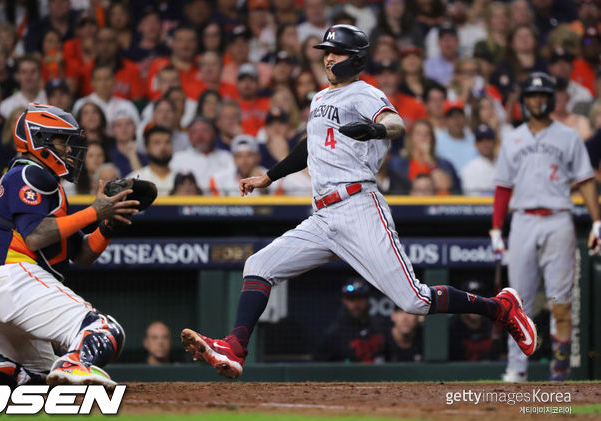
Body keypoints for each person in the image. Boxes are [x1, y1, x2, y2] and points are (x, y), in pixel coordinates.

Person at [180, 25, 537, 379]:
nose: (329, 58)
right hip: (322, 216)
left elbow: (397, 123)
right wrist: (268, 177)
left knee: (414, 300)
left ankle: (500, 308)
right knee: (258, 265)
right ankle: (235, 347)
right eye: (326, 52)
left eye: (337, 53)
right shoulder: (320, 99)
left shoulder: (364, 93)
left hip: (358, 205)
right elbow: (310, 146)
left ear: (356, 59)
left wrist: (378, 129)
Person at [0, 104, 139, 389]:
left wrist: (107, 226)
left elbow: (83, 255)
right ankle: (76, 363)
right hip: (9, 278)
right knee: (104, 331)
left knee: (39, 376)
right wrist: (94, 212)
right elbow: (36, 236)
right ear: (39, 139)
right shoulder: (29, 174)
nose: (68, 149)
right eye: (62, 140)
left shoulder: (47, 185)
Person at [490, 72, 601, 382]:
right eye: (531, 96)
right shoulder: (513, 138)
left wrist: (597, 220)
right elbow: (502, 187)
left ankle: (559, 369)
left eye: (542, 95)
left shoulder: (568, 136)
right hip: (523, 220)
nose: (537, 101)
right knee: (516, 300)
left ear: (551, 99)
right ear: (524, 100)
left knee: (559, 300)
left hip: (558, 220)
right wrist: (496, 228)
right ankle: (517, 368)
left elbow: (585, 181)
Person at [314, 278, 387, 363]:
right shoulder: (334, 334)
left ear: (368, 300)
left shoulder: (380, 328)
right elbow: (318, 368)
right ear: (344, 301)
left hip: (379, 375)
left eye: (360, 298)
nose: (356, 304)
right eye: (351, 299)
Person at [170, 117, 234, 194]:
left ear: (214, 134)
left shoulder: (227, 157)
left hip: (221, 204)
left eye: (204, 131)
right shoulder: (177, 159)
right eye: (194, 132)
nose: (200, 135)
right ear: (189, 136)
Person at [449, 280, 504, 361]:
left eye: (478, 299)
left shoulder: (493, 325)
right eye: (469, 299)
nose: (474, 305)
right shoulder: (452, 327)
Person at [127, 126, 175, 196]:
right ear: (147, 148)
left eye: (167, 142)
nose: (163, 147)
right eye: (157, 143)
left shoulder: (182, 178)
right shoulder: (135, 180)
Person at [0, 55, 47, 120]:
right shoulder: (6, 106)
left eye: (33, 71)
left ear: (40, 74)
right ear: (17, 76)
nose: (28, 76)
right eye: (24, 72)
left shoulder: (51, 100)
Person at [461, 124, 498, 196]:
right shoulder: (469, 169)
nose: (485, 144)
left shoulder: (505, 164)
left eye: (488, 139)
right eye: (480, 140)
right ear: (476, 144)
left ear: (495, 142)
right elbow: (472, 197)